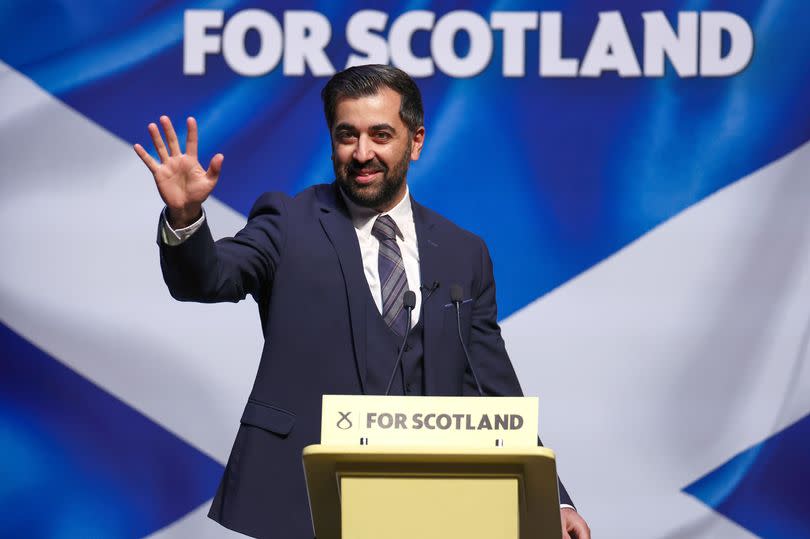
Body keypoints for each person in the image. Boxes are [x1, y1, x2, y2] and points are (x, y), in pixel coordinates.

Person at [134, 65, 590, 539]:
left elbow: (494, 387)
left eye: (381, 134)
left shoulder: (463, 252)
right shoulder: (288, 222)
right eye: (347, 135)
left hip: (431, 506)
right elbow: (209, 278)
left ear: (415, 142)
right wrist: (185, 216)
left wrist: (552, 498)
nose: (362, 153)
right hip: (306, 503)